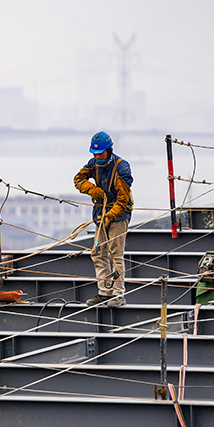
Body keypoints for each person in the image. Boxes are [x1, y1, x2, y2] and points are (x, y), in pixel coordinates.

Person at [74, 130, 133, 307]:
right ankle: (104, 292)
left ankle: (118, 294)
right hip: (100, 213)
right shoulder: (93, 164)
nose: (97, 156)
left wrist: (110, 216)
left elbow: (123, 200)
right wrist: (92, 190)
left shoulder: (121, 168)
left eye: (100, 153)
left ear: (109, 150)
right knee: (98, 253)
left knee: (115, 255)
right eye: (95, 153)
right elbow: (78, 179)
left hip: (118, 215)